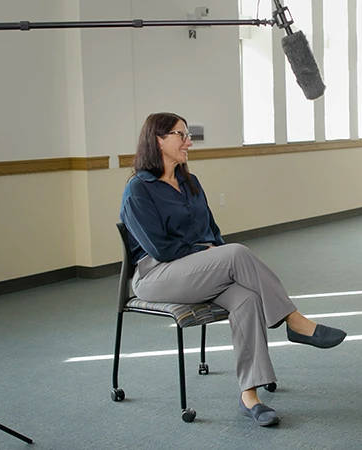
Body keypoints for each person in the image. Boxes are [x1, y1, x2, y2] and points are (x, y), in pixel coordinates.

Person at [120, 112, 347, 427]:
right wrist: (211, 253)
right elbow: (160, 248)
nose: (188, 141)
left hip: (197, 270)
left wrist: (214, 253)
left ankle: (249, 396)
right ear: (158, 140)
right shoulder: (138, 190)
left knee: (246, 298)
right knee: (236, 254)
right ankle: (294, 321)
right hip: (157, 274)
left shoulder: (190, 182)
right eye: (180, 135)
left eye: (188, 135)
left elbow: (212, 230)